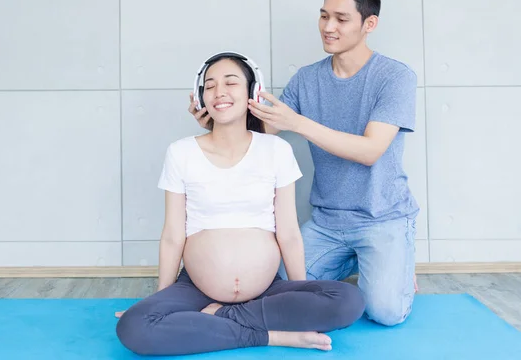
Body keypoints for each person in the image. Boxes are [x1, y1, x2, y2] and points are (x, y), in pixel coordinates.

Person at [189, 0, 419, 327]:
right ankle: (362, 262)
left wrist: (297, 123)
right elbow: (259, 130)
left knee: (386, 313)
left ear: (369, 24)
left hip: (382, 218)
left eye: (341, 19)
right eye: (324, 16)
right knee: (267, 283)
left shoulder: (394, 77)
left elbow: (371, 150)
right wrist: (213, 119)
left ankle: (396, 261)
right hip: (327, 222)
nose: (328, 27)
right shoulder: (307, 79)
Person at [116, 52, 365, 356]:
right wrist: (157, 300)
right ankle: (273, 336)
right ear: (200, 97)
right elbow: (172, 235)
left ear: (252, 92)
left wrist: (301, 296)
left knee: (349, 301)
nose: (219, 91)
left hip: (266, 290)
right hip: (195, 289)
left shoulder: (276, 149)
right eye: (209, 86)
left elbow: (287, 232)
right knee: (134, 326)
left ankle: (220, 317)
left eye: (230, 83)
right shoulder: (180, 153)